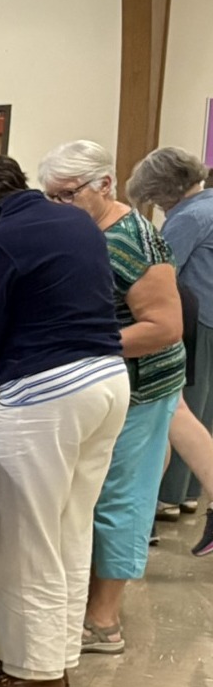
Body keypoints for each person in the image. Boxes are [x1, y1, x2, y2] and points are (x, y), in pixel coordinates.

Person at [0, 152, 129, 687]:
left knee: (24, 537)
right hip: (108, 380)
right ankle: (54, 657)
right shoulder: (75, 221)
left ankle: (33, 673)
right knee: (70, 529)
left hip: (49, 394)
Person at [35, 141, 186, 658]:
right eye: (50, 197)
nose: (58, 206)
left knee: (121, 497)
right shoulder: (87, 230)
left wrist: (82, 342)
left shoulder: (134, 241)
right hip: (105, 383)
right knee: (95, 495)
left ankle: (104, 622)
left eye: (67, 195)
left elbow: (164, 327)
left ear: (104, 184)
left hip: (141, 386)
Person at [130, 145, 213, 550]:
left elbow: (160, 272)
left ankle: (164, 498)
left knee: (173, 411)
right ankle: (188, 494)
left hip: (191, 321)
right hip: (208, 317)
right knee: (202, 411)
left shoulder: (189, 217)